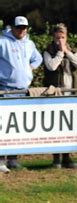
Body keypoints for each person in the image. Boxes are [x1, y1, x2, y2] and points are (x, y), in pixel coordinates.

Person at [0, 16, 42, 173]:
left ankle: (13, 159)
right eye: (19, 27)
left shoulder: (29, 43)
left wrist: (30, 67)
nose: (22, 30)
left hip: (23, 91)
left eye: (24, 27)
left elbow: (37, 58)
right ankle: (1, 160)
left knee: (17, 128)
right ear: (12, 27)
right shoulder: (3, 42)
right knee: (3, 127)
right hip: (6, 89)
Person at [43, 23, 77, 168]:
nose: (60, 40)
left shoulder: (72, 49)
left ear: (66, 37)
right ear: (53, 37)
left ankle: (68, 157)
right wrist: (60, 52)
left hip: (71, 94)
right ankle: (56, 158)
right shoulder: (48, 51)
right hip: (55, 94)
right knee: (56, 127)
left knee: (69, 127)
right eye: (57, 37)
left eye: (63, 37)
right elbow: (51, 66)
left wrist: (68, 52)